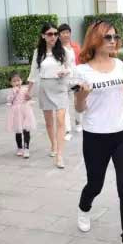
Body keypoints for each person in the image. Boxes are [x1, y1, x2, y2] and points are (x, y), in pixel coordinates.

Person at [74, 20, 123, 244]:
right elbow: (79, 108)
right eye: (108, 37)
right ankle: (84, 207)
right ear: (95, 39)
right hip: (95, 134)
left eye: (115, 37)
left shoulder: (119, 65)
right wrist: (82, 95)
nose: (113, 41)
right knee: (95, 183)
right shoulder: (82, 71)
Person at [26, 22, 74, 168]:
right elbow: (33, 73)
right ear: (43, 36)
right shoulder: (38, 52)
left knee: (60, 120)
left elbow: (71, 69)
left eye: (55, 34)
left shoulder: (64, 51)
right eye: (50, 34)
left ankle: (59, 155)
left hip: (60, 87)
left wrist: (65, 71)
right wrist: (28, 91)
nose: (53, 36)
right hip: (44, 87)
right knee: (49, 122)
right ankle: (53, 144)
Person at [59, 23, 83, 139]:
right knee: (65, 104)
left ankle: (78, 122)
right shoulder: (57, 49)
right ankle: (67, 130)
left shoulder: (76, 46)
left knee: (77, 101)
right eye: (63, 33)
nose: (66, 35)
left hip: (76, 79)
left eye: (67, 32)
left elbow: (81, 61)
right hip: (64, 80)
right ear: (59, 35)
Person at [6, 71, 36, 159]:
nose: (17, 83)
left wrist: (29, 96)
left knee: (26, 130)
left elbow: (29, 97)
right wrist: (14, 93)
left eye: (18, 80)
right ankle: (19, 148)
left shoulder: (25, 89)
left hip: (25, 111)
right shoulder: (11, 91)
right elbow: (9, 100)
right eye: (14, 81)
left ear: (21, 81)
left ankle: (26, 148)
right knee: (18, 131)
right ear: (11, 83)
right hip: (16, 113)